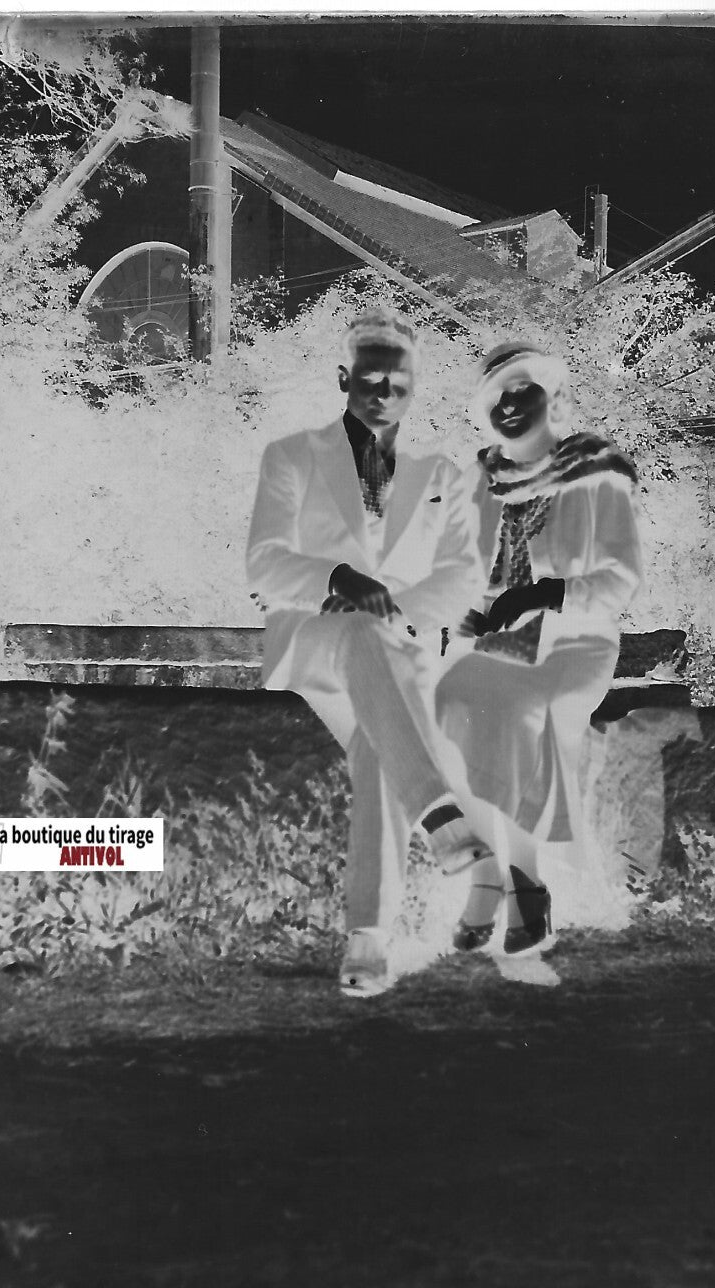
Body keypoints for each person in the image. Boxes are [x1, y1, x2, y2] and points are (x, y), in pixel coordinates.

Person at [247, 307, 491, 997]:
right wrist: (338, 579)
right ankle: (440, 816)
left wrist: (397, 613)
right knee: (357, 632)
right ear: (342, 378)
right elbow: (263, 564)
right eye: (370, 378)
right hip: (312, 645)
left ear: (414, 386)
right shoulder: (290, 457)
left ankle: (367, 938)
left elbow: (461, 576)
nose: (383, 392)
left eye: (398, 380)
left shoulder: (441, 472)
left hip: (398, 659)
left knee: (376, 744)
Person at [435, 341, 645, 957]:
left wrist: (548, 593)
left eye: (520, 387)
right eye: (494, 396)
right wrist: (460, 613)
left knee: (513, 706)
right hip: (497, 646)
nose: (507, 403)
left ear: (548, 395)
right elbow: (463, 577)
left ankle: (523, 883)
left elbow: (621, 578)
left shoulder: (595, 468)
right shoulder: (479, 480)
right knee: (447, 701)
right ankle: (489, 877)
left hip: (573, 643)